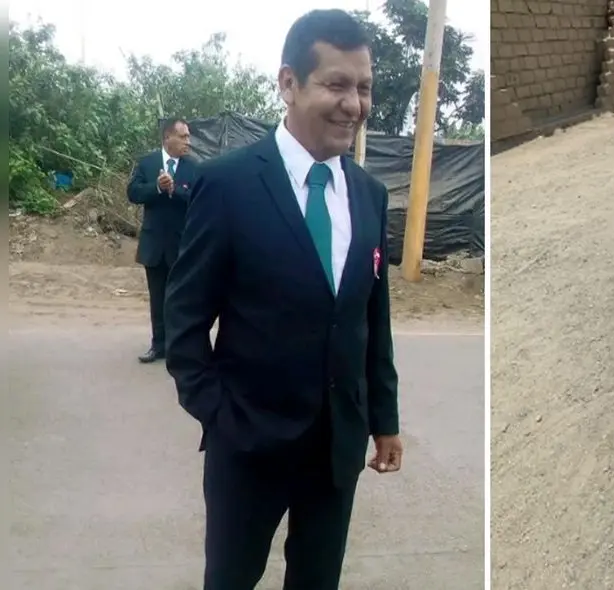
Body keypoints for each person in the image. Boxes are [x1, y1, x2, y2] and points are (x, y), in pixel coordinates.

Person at [163, 9, 403, 590]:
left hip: (335, 450)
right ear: (289, 84)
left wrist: (383, 420)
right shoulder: (230, 184)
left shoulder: (369, 195)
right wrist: (218, 415)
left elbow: (371, 316)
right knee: (230, 580)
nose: (354, 103)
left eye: (364, 87)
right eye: (337, 84)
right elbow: (185, 316)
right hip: (248, 447)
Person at [126, 117, 194, 364]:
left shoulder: (193, 167)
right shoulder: (147, 163)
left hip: (182, 246)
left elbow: (197, 198)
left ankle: (179, 347)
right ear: (168, 138)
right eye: (184, 136)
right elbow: (133, 193)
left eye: (188, 136)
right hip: (154, 244)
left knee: (179, 299)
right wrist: (156, 186)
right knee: (157, 297)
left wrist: (174, 189)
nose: (188, 141)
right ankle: (158, 346)